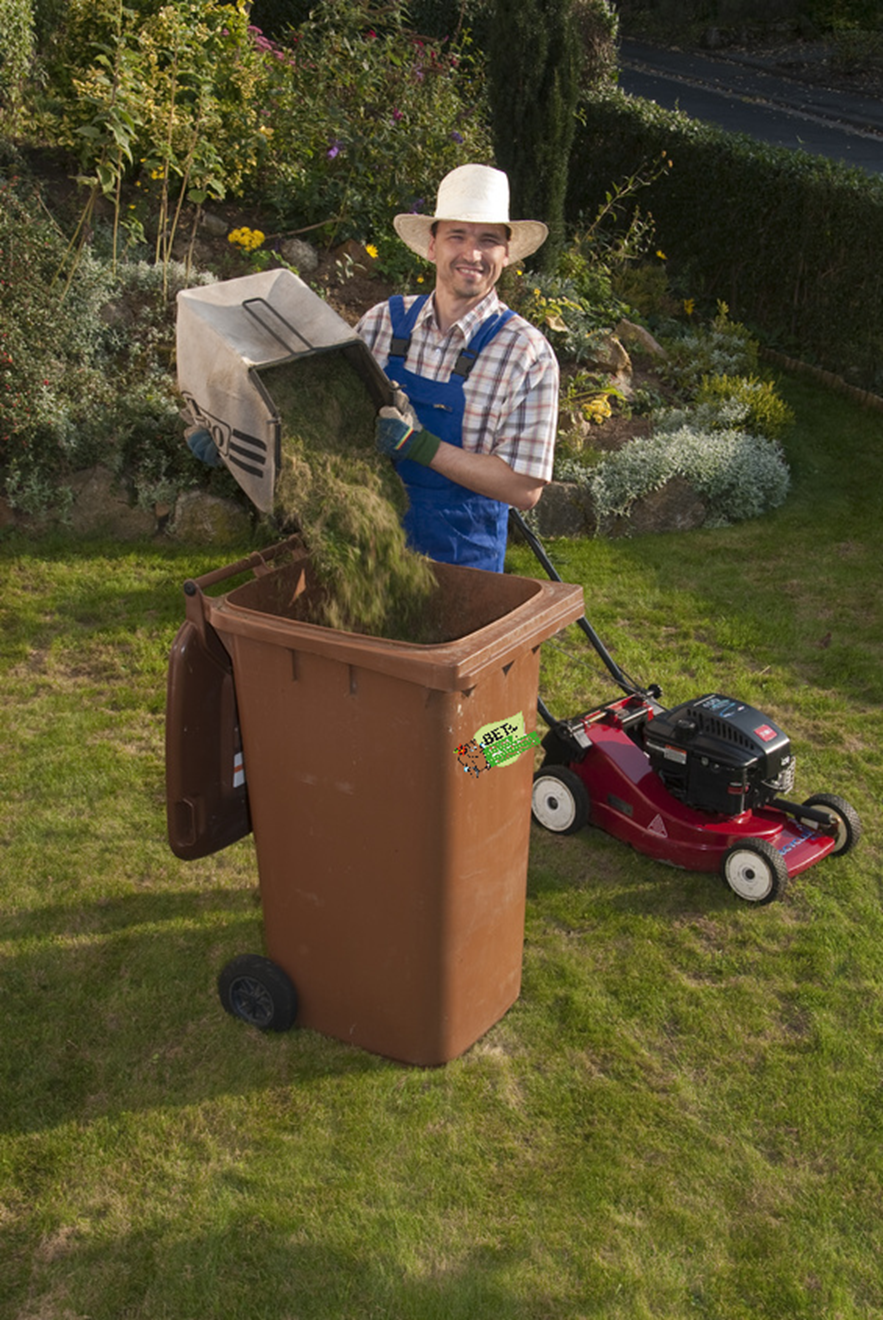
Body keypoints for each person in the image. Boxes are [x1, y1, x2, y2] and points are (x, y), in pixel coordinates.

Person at [357, 163, 559, 573]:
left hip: (462, 571)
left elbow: (524, 487)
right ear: (432, 246)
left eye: (488, 240)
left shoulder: (525, 353)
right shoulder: (380, 324)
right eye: (457, 236)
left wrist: (420, 446)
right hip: (364, 553)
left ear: (506, 254)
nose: (472, 254)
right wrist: (240, 437)